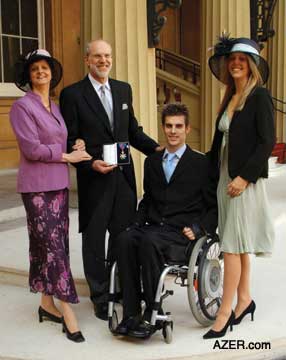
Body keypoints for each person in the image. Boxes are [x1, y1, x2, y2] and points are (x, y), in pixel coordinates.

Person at [59, 39, 159, 321]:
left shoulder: (123, 89)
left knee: (123, 237)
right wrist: (91, 163)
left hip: (124, 176)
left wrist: (158, 150)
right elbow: (70, 139)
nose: (104, 60)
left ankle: (118, 288)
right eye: (98, 56)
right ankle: (100, 296)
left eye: (108, 56)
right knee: (94, 241)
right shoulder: (72, 94)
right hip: (95, 178)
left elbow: (132, 131)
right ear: (87, 60)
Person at [114, 103, 218, 339]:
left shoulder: (202, 164)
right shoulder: (152, 162)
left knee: (149, 241)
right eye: (169, 126)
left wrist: (198, 228)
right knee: (124, 239)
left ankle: (152, 311)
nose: (173, 131)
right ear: (163, 128)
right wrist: (135, 223)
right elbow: (148, 200)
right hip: (154, 227)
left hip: (181, 235)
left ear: (187, 129)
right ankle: (131, 313)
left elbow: (213, 207)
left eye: (178, 126)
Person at [10, 49, 92, 343]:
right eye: (35, 69)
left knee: (53, 245)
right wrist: (67, 156)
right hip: (36, 188)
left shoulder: (54, 107)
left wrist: (76, 144)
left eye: (45, 68)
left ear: (52, 73)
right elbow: (32, 149)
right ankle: (66, 309)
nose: (41, 73)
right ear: (29, 76)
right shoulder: (21, 107)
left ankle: (46, 303)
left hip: (58, 185)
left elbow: (61, 140)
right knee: (52, 247)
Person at [203, 36, 275, 339]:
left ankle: (225, 312)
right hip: (224, 177)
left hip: (242, 181)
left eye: (242, 60)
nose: (235, 64)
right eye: (231, 59)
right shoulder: (229, 96)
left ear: (251, 65)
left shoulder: (259, 96)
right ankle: (244, 299)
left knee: (231, 246)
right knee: (238, 242)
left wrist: (244, 178)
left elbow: (266, 141)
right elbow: (219, 143)